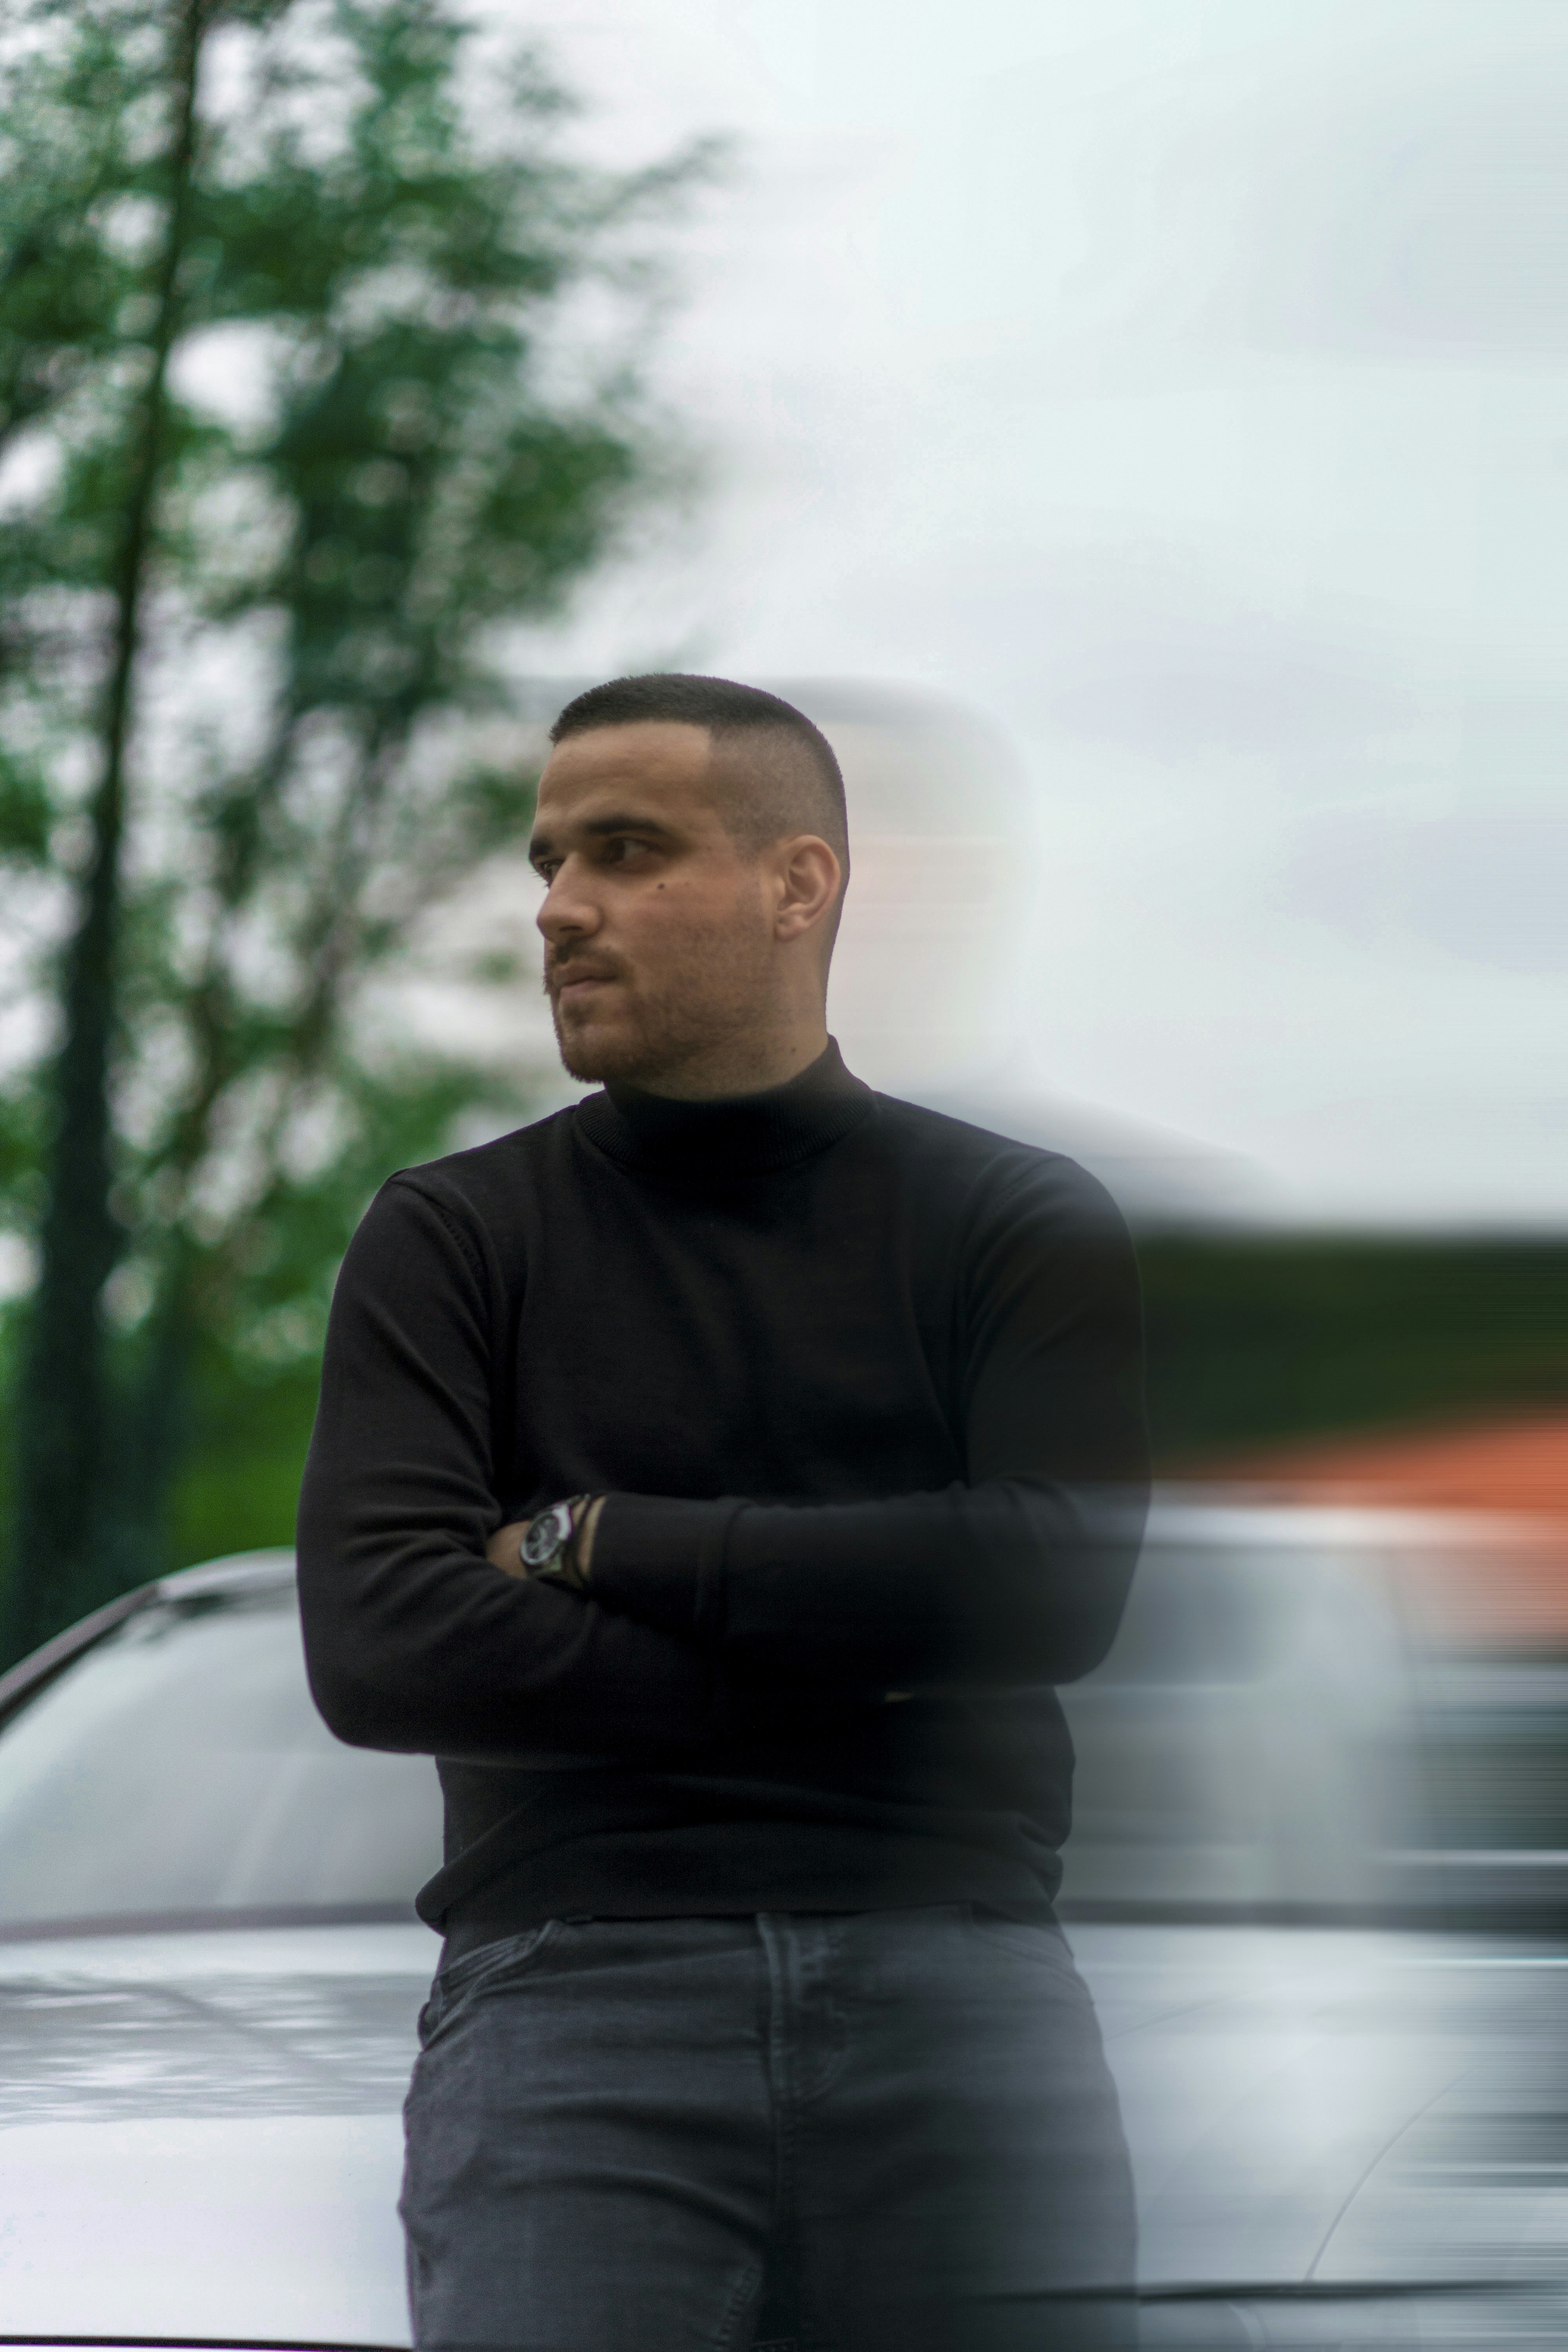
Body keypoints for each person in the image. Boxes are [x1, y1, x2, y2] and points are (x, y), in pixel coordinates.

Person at [298, 673, 1149, 2352]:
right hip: (571, 1991)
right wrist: (887, 1662)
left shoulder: (1016, 1221)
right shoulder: (454, 1236)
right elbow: (387, 1644)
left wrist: (597, 1538)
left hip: (957, 1994)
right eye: (546, 862)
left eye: (624, 850)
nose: (558, 909)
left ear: (798, 884)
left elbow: (1049, 1594)